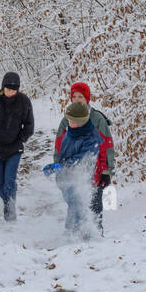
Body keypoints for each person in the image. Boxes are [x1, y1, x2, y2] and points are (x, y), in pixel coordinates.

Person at [54, 81, 114, 234]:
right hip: (71, 173)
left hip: (96, 172)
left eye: (80, 96)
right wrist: (57, 166)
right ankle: (72, 237)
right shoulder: (67, 119)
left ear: (87, 98)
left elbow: (106, 147)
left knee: (94, 207)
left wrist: (107, 171)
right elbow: (59, 145)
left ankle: (96, 236)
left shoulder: (97, 119)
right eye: (74, 96)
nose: (77, 99)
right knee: (75, 205)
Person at [44, 102, 110, 237]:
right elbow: (65, 152)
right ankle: (76, 234)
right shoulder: (71, 131)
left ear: (82, 121)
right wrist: (57, 166)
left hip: (80, 178)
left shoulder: (91, 138)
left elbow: (82, 159)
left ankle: (77, 235)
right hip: (66, 176)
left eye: (72, 121)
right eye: (68, 120)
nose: (69, 123)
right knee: (72, 204)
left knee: (77, 205)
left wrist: (62, 166)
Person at [0, 72, 34, 222]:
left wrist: (21, 139)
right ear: (3, 87)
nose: (11, 93)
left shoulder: (23, 101)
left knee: (9, 182)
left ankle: (10, 215)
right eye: (8, 89)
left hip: (14, 149)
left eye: (14, 90)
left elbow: (29, 125)